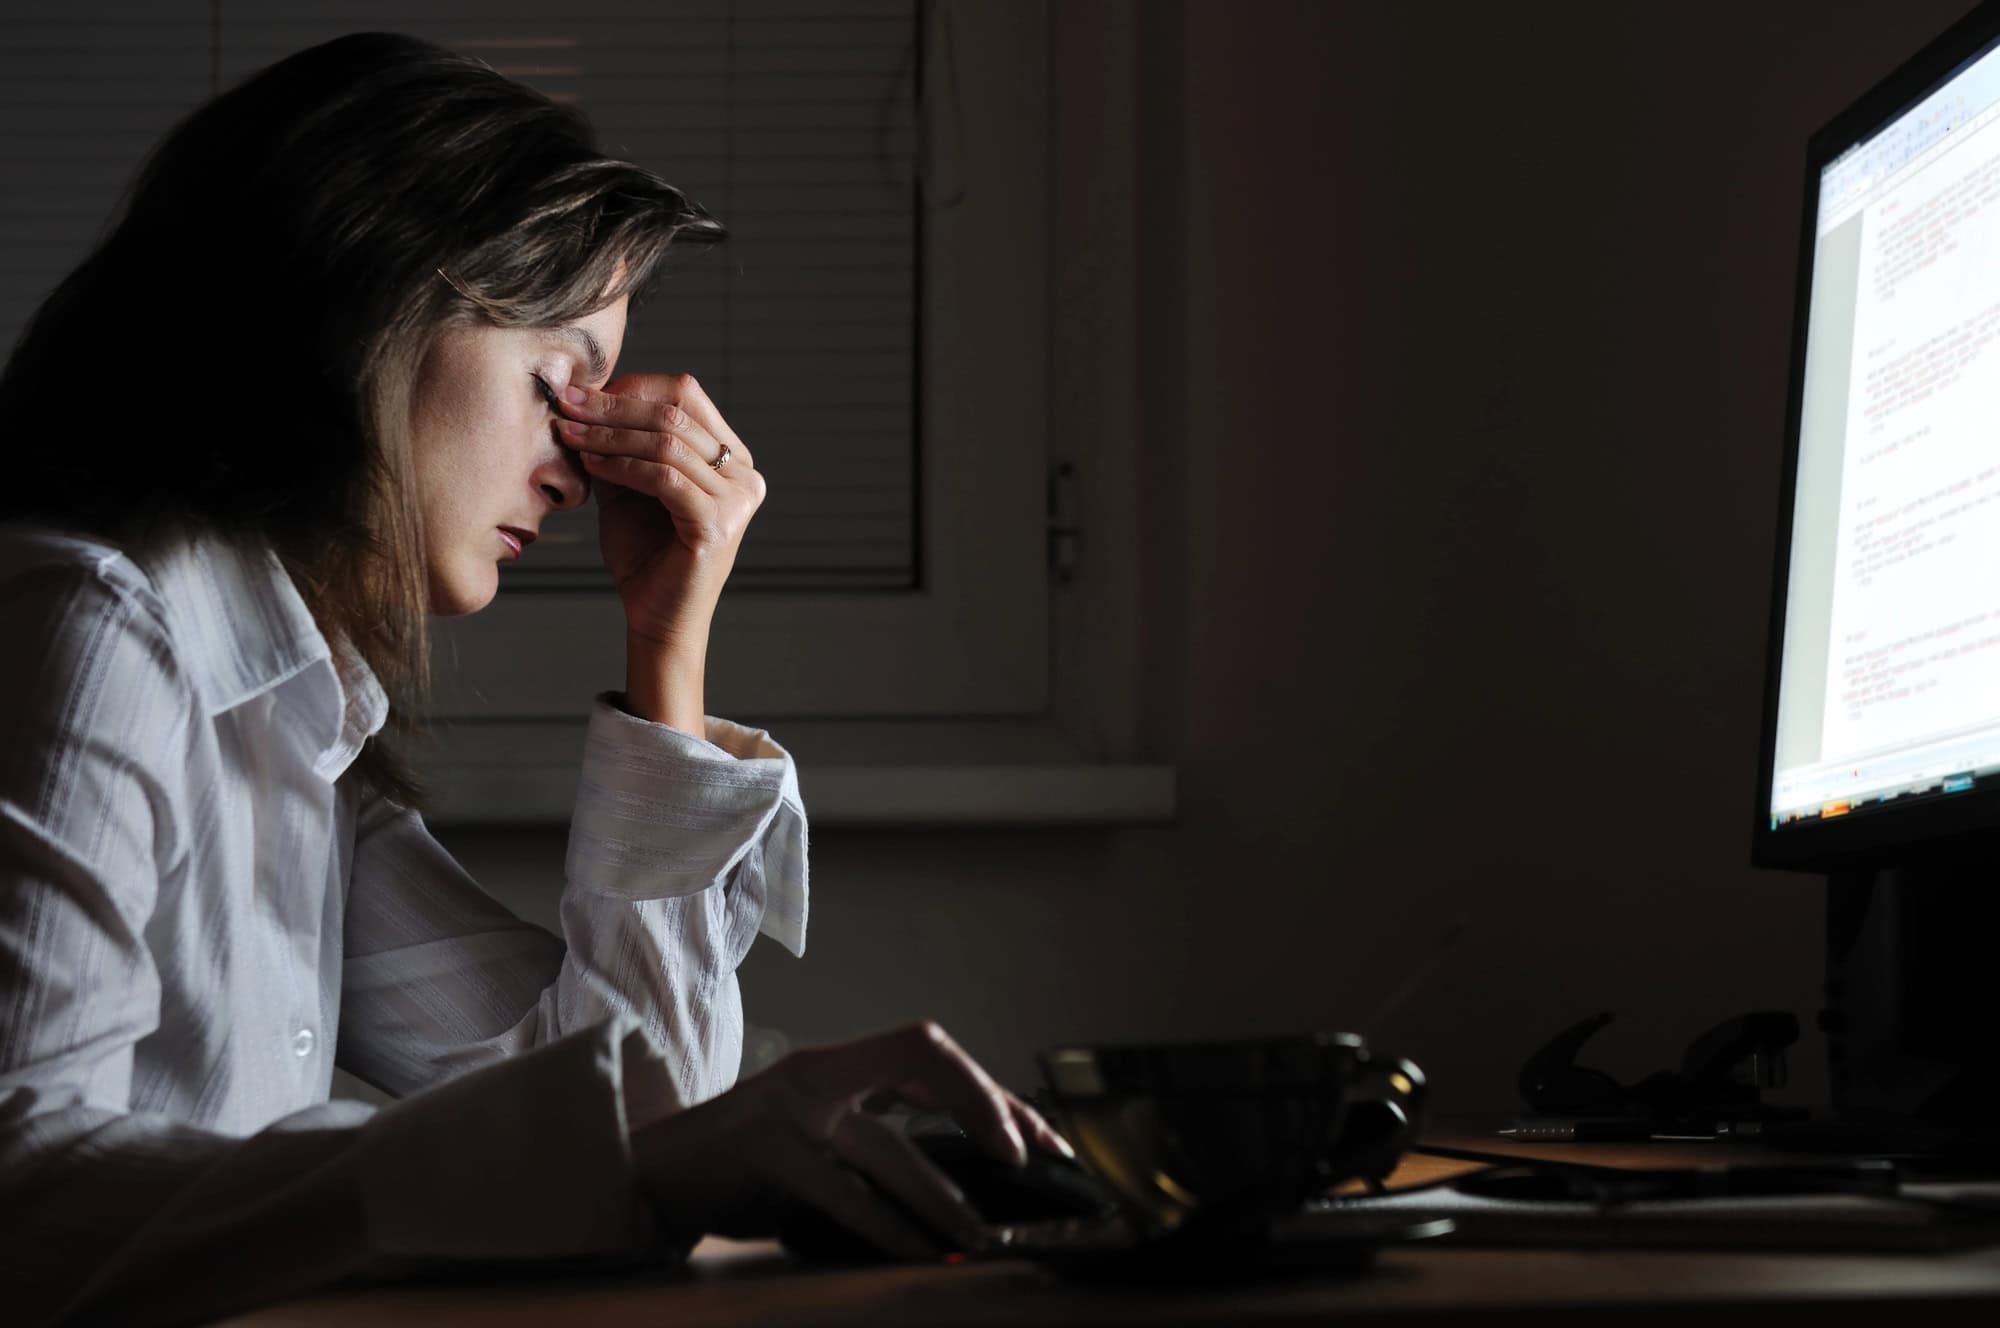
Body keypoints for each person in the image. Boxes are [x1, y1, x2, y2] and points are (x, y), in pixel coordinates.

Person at [0, 31, 1066, 1326]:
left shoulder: (293, 720)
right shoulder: (94, 623)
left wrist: (667, 652)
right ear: (368, 301)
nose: (581, 462)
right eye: (561, 380)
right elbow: (23, 1196)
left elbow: (637, 1115)